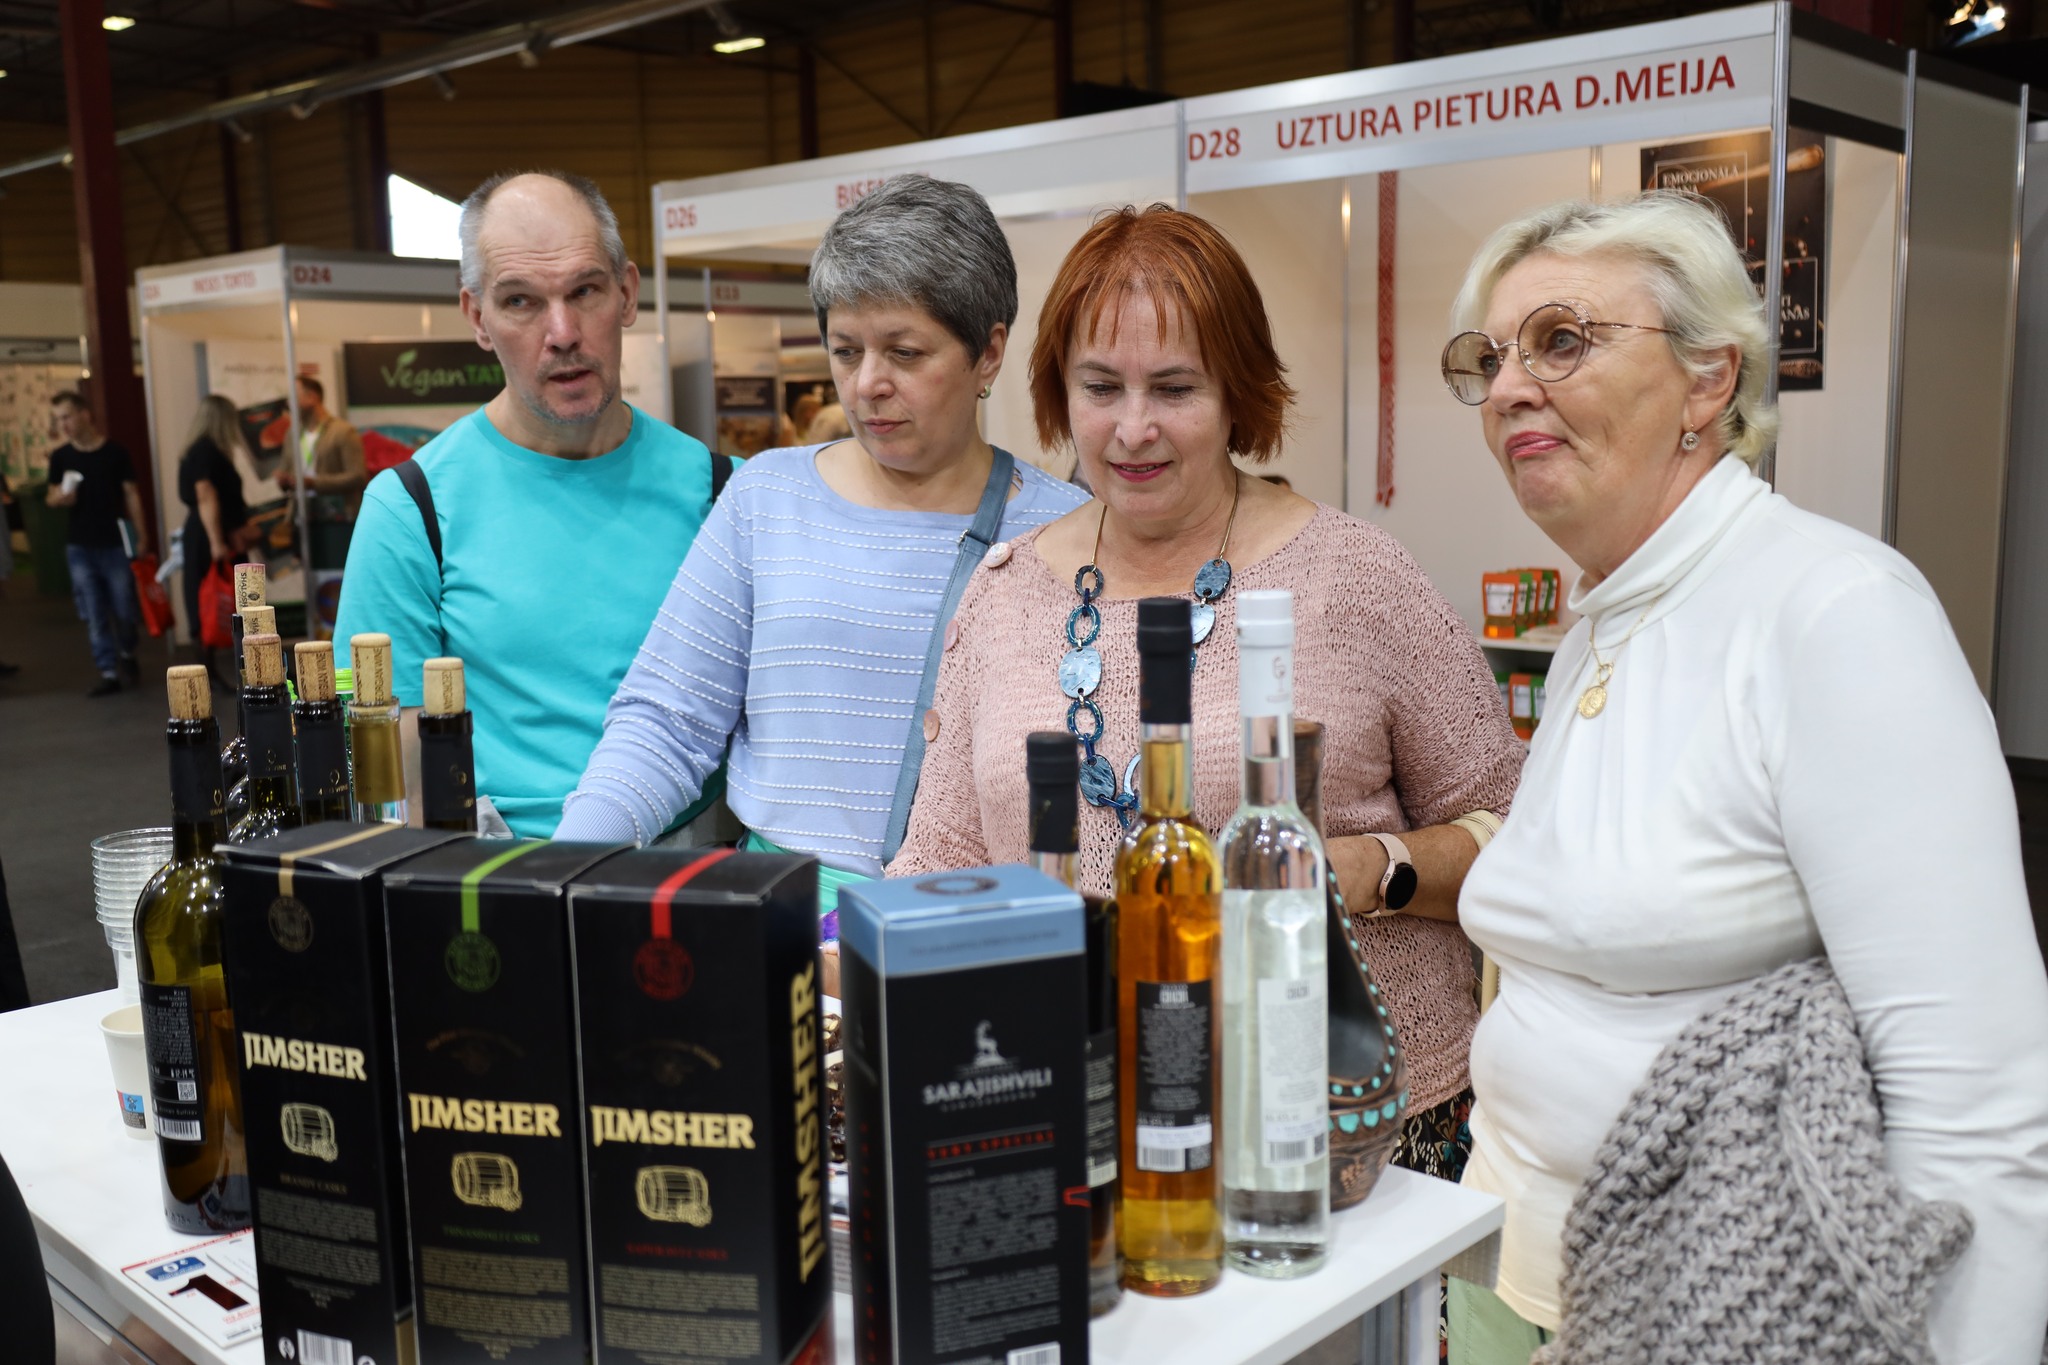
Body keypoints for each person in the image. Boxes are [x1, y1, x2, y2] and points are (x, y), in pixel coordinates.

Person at [1445, 193, 2048, 1360]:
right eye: (1490, 356)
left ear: (1707, 378)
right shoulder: (1599, 625)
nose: (1509, 386)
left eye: (1559, 340)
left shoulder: (1834, 614)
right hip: (1510, 1275)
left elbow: (1977, 1108)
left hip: (1712, 1314)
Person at [888, 204, 1524, 1177]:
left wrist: (1367, 867)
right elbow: (940, 860)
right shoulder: (1004, 593)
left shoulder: (1354, 579)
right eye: (1100, 386)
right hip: (1079, 1120)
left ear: (1237, 392)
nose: (1132, 427)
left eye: (1175, 387)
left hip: (1348, 1137)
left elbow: (1520, 837)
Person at [556, 175, 1090, 906]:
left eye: (905, 352)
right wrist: (567, 864)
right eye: (845, 350)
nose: (868, 383)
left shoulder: (1066, 529)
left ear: (988, 353)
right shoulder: (768, 498)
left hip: (980, 921)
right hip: (784, 915)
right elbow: (667, 722)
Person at [334, 170, 726, 838]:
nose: (563, 331)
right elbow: (394, 765)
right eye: (521, 301)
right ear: (477, 318)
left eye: (585, 291)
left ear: (628, 293)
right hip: (498, 873)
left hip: (691, 870)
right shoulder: (412, 509)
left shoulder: (722, 492)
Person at [45, 391, 150, 696]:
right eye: (58, 420)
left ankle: (127, 652)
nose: (63, 425)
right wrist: (60, 499)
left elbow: (131, 494)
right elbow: (51, 496)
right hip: (79, 546)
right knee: (94, 612)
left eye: (66, 417)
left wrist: (141, 535)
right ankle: (108, 671)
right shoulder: (61, 457)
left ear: (85, 415)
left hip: (114, 544)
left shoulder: (115, 453)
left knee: (124, 609)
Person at [175, 396, 255, 660]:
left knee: (210, 596)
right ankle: (210, 663)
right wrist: (216, 541)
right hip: (210, 533)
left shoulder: (198, 451)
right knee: (213, 596)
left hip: (208, 531)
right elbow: (205, 495)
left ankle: (212, 662)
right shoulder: (207, 451)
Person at [274, 376, 366, 520]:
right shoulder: (292, 434)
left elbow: (358, 476)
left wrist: (314, 483)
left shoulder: (343, 431)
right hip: (301, 517)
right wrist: (284, 481)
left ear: (312, 397)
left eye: (293, 396)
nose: (288, 403)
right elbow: (285, 470)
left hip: (336, 518)